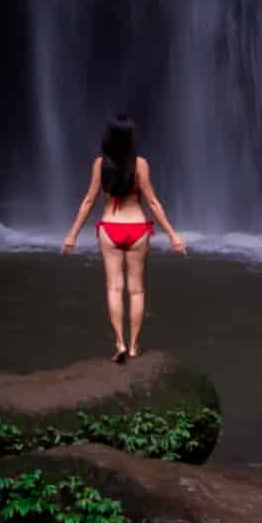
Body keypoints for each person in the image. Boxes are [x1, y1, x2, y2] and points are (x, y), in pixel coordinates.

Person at [82, 117, 183, 362]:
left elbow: (88, 200)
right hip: (137, 229)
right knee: (136, 291)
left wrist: (72, 235)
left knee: (114, 288)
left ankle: (120, 344)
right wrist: (173, 236)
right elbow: (152, 202)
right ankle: (135, 345)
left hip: (110, 228)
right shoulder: (141, 165)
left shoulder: (100, 164)